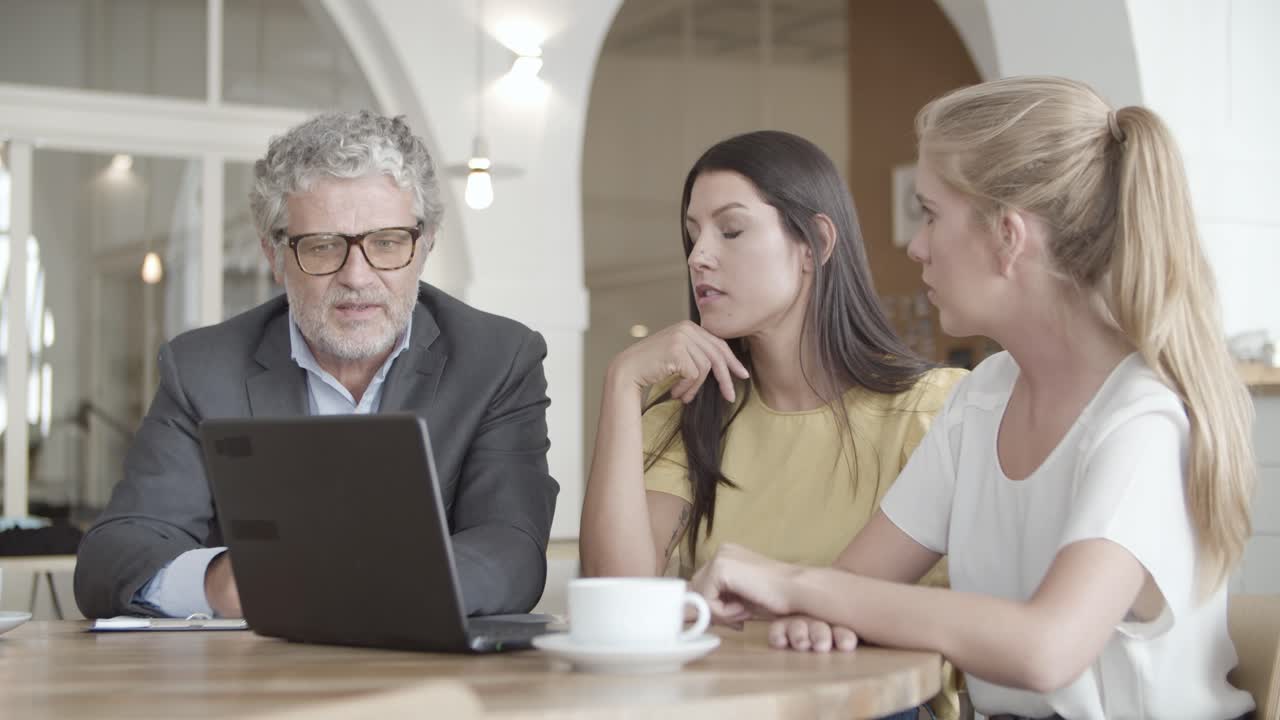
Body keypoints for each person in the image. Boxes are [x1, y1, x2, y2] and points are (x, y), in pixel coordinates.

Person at [690, 77, 1257, 720]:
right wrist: (820, 604)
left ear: (1008, 236)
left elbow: (1047, 648)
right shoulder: (983, 397)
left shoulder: (1143, 419)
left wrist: (799, 586)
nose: (916, 246)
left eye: (930, 215)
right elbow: (853, 587)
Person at [74, 111, 558, 620]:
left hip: (429, 678)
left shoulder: (498, 359)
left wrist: (358, 587)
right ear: (274, 255)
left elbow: (511, 549)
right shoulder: (201, 368)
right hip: (255, 682)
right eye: (323, 246)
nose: (357, 276)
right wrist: (222, 582)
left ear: (426, 244)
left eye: (387, 243)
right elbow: (115, 556)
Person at [578, 130, 965, 719]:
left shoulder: (933, 410)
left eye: (730, 231)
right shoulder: (689, 411)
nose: (698, 256)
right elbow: (616, 597)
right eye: (692, 235)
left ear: (815, 244)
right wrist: (622, 383)